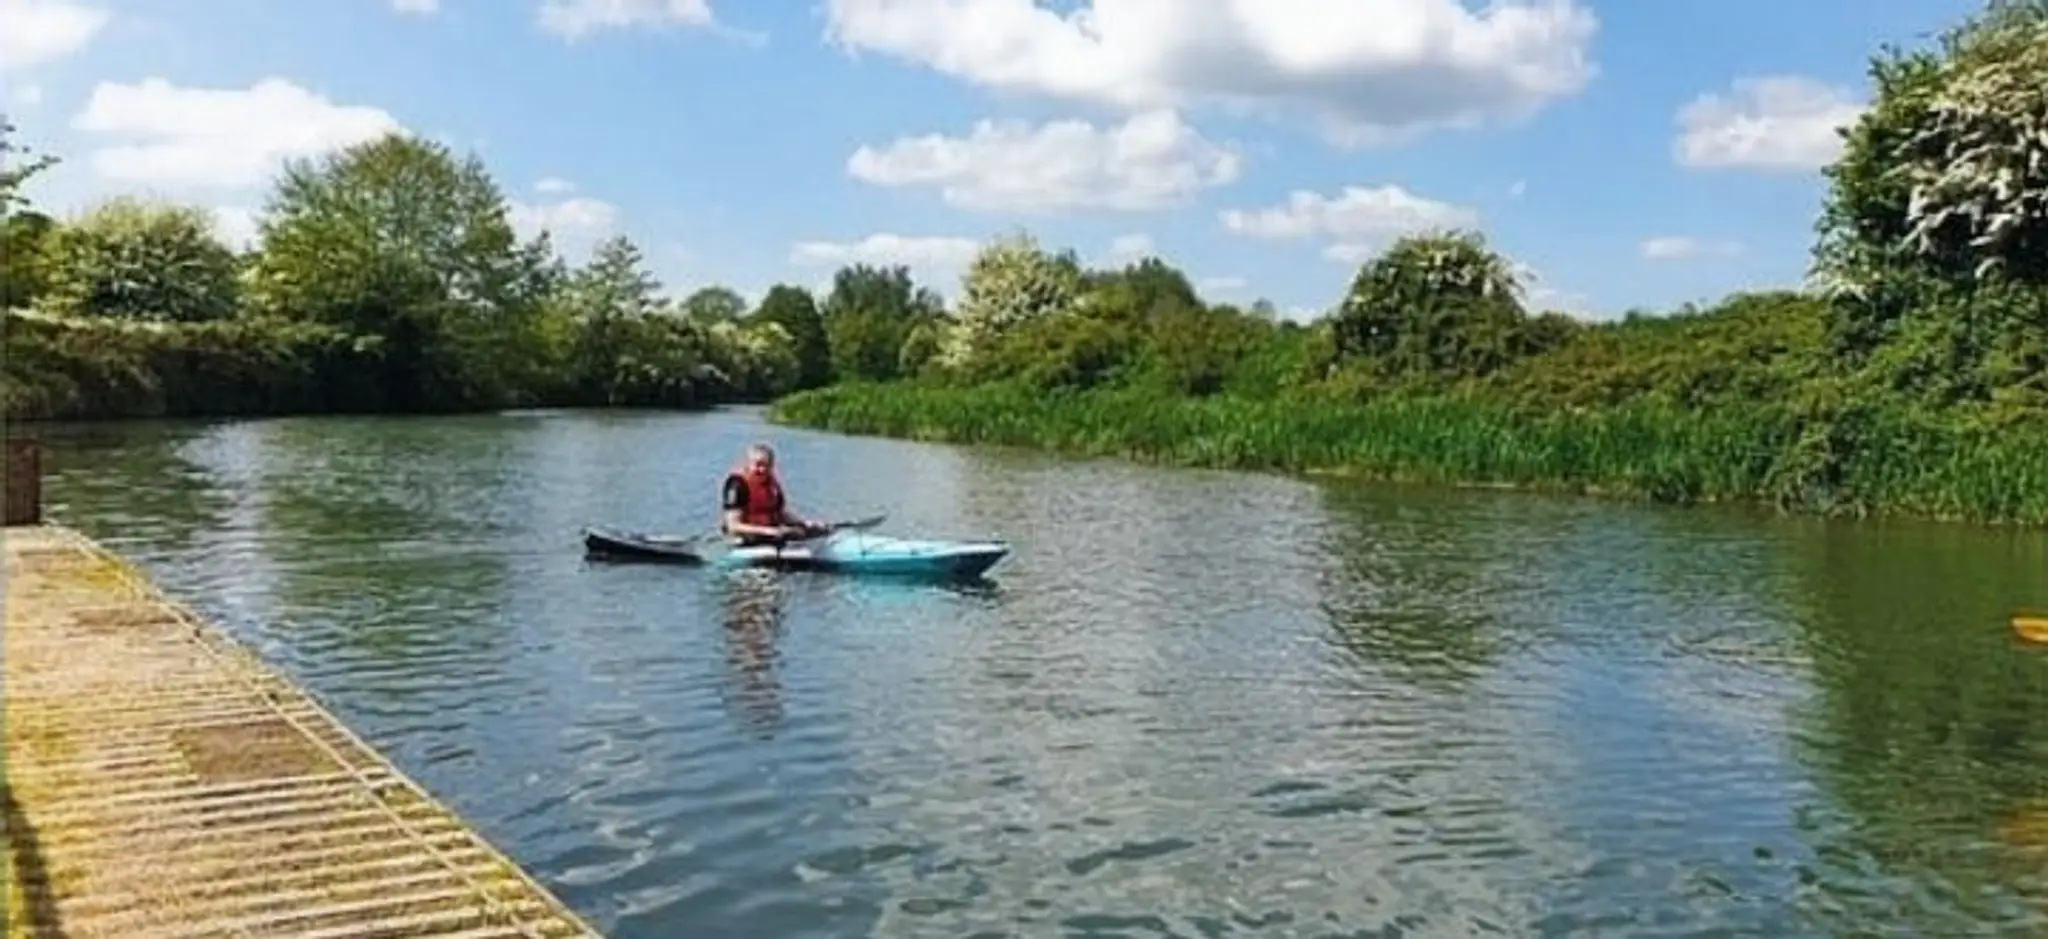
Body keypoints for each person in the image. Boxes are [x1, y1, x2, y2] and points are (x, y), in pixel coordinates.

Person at [721, 443, 827, 546]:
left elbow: (780, 514)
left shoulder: (771, 484)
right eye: (758, 465)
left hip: (771, 531)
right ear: (748, 464)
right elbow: (733, 526)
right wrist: (769, 531)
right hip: (746, 536)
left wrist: (804, 523)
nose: (762, 470)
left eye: (767, 466)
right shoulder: (737, 484)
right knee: (793, 533)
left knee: (813, 530)